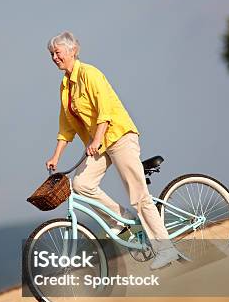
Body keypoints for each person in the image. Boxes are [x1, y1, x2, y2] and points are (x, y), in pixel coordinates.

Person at [45, 31, 179, 270]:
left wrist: (96, 140)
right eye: (51, 54)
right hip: (98, 144)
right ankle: (124, 219)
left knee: (138, 195)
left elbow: (105, 110)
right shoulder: (65, 86)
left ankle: (166, 249)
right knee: (81, 184)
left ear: (73, 51)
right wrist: (56, 155)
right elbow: (66, 126)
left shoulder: (90, 74)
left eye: (57, 52)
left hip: (118, 136)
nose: (54, 57)